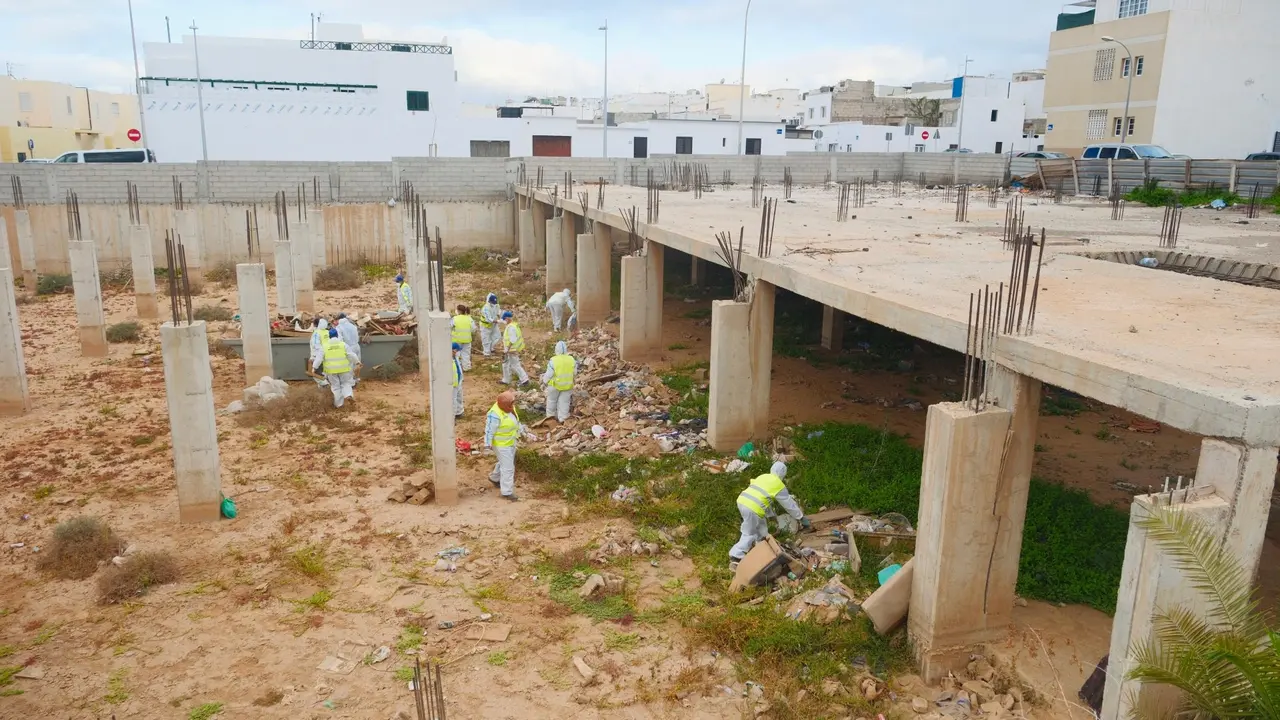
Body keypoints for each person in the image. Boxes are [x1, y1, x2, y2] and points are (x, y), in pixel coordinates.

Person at [729, 462, 810, 570]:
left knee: (762, 531)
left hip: (743, 501)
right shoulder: (778, 484)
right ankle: (736, 556)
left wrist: (772, 516)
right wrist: (801, 517)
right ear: (783, 474)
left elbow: (764, 499)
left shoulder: (763, 477)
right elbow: (788, 504)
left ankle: (761, 552)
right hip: (753, 507)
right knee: (750, 531)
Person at [484, 390, 532, 502]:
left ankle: (495, 477)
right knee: (508, 468)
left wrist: (522, 432)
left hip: (510, 442)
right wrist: (487, 445)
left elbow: (515, 421)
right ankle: (507, 492)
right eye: (511, 403)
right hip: (501, 445)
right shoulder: (495, 414)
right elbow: (489, 431)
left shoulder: (509, 408)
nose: (513, 405)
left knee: (505, 462)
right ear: (505, 404)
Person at [311, 328, 362, 408]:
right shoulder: (343, 345)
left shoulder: (324, 346)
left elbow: (319, 359)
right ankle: (348, 395)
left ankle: (339, 405)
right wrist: (357, 362)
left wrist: (314, 367)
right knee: (345, 383)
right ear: (337, 335)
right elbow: (351, 354)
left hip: (331, 371)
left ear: (329, 336)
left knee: (336, 387)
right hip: (344, 369)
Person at [540, 340, 576, 422]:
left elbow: (549, 374)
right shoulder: (571, 359)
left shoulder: (553, 360)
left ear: (556, 350)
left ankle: (550, 418)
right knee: (564, 403)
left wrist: (544, 382)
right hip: (568, 386)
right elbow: (575, 372)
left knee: (551, 401)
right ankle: (563, 419)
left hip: (554, 385)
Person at [500, 310, 529, 387]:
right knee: (506, 364)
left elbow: (513, 339)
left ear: (507, 318)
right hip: (512, 349)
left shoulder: (511, 328)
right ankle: (506, 380)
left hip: (512, 349)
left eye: (504, 319)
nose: (504, 321)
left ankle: (524, 380)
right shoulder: (513, 325)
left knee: (515, 365)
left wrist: (507, 349)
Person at [451, 305, 476, 371]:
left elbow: (449, 327)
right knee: (466, 355)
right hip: (467, 340)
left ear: (458, 311)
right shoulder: (469, 318)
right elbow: (473, 329)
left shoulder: (454, 318)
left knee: (457, 355)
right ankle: (466, 368)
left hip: (457, 340)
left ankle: (457, 368)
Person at [308, 318, 330, 387]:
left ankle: (325, 385)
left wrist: (313, 357)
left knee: (314, 373)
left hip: (318, 356)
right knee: (323, 373)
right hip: (327, 356)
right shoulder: (327, 332)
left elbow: (316, 346)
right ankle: (323, 393)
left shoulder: (316, 333)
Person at [451, 342, 465, 418]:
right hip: (452, 384)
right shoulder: (447, 361)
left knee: (459, 397)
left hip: (458, 381)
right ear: (453, 351)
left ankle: (459, 412)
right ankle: (452, 417)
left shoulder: (455, 358)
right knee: (453, 401)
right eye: (457, 350)